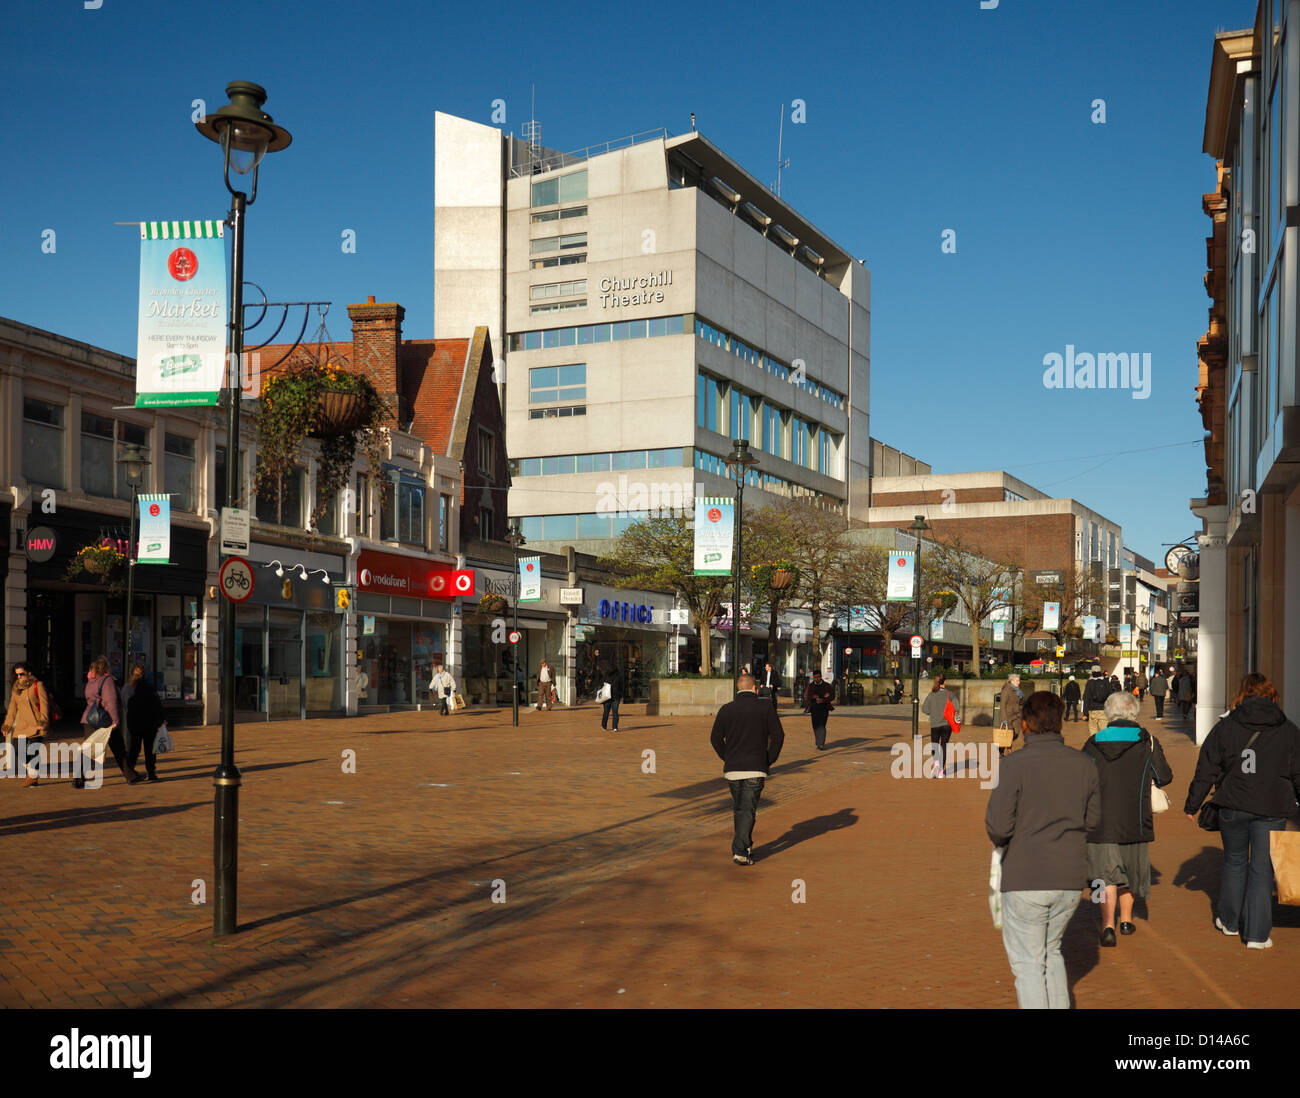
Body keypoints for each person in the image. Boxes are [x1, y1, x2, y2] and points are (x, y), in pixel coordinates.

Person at [986, 691, 1101, 1009]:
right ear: (1059, 723)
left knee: (1028, 964)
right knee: (1051, 952)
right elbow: (1093, 820)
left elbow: (997, 826)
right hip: (1068, 876)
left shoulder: (1013, 765)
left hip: (1026, 874)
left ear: (1025, 725)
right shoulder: (1084, 764)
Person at [1184, 673, 1300, 949]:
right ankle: (1258, 935)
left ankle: (1229, 921)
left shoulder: (1227, 726)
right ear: (1272, 696)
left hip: (1233, 805)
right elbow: (1297, 771)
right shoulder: (1288, 729)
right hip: (1272, 807)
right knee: (1262, 869)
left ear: (1243, 696)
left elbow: (1207, 766)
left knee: (1234, 862)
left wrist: (1193, 803)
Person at [1081, 691, 1173, 945]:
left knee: (1101, 876)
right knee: (1130, 873)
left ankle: (1106, 924)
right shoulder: (1148, 742)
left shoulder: (1093, 742)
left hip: (1099, 822)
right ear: (1134, 712)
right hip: (1135, 819)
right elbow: (1164, 776)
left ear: (1110, 713)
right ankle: (1126, 920)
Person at [709, 672, 785, 866]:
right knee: (747, 810)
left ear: (738, 689)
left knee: (741, 809)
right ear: (755, 688)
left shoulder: (726, 709)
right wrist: (769, 759)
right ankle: (741, 850)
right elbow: (778, 735)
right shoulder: (765, 707)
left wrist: (727, 756)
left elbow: (715, 738)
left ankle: (744, 844)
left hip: (733, 769)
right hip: (755, 767)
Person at [76, 656, 134, 787]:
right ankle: (130, 775)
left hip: (89, 719)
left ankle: (79, 778)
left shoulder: (91, 682)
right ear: (106, 668)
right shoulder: (107, 681)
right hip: (104, 720)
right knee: (119, 749)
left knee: (88, 749)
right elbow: (110, 702)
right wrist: (115, 720)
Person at [2, 662, 51, 787]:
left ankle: (32, 778)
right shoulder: (16, 688)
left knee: (33, 751)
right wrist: (7, 725)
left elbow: (45, 705)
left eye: (21, 674)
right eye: (17, 674)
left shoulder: (37, 685)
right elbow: (12, 708)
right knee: (18, 750)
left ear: (29, 673)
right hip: (22, 725)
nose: (19, 677)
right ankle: (32, 773)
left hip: (37, 724)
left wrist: (43, 722)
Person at [122, 665, 165, 782]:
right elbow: (157, 705)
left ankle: (130, 772)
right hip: (149, 724)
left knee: (133, 749)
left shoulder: (127, 688)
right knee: (150, 750)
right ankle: (151, 772)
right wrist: (161, 720)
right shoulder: (149, 688)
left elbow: (124, 705)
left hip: (134, 724)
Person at [921, 674, 958, 777]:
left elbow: (925, 709)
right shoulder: (949, 694)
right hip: (947, 724)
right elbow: (957, 707)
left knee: (935, 745)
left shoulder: (931, 695)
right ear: (944, 682)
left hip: (935, 724)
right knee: (944, 746)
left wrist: (933, 712)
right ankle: (941, 771)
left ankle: (936, 763)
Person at [802, 669, 835, 751]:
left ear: (821, 677)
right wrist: (813, 697)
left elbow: (832, 696)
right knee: (815, 725)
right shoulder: (810, 686)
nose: (816, 679)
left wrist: (823, 699)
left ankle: (821, 744)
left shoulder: (827, 685)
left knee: (822, 725)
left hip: (824, 708)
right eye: (815, 677)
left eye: (818, 677)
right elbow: (806, 696)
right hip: (814, 708)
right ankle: (818, 742)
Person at [997, 674, 1024, 757]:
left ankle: (1006, 746)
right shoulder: (1006, 690)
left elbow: (1021, 703)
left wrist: (1022, 697)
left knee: (1016, 734)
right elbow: (1002, 705)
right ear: (1011, 681)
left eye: (1019, 680)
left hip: (1016, 715)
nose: (1019, 682)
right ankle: (1003, 750)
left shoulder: (1018, 690)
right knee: (1008, 734)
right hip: (1008, 715)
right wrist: (1004, 718)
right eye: (1017, 681)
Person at [1082, 670, 1111, 738]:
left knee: (1093, 729)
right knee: (1104, 730)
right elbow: (1110, 696)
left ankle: (1094, 744)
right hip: (1103, 710)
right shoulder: (1106, 682)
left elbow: (1086, 698)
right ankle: (1104, 745)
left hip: (1092, 710)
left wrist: (1085, 713)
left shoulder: (1090, 682)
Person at [600, 662, 623, 732]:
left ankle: (604, 726)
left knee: (606, 712)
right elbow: (621, 686)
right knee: (615, 712)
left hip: (607, 697)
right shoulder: (618, 676)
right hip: (616, 696)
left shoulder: (606, 676)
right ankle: (615, 727)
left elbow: (601, 684)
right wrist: (620, 695)